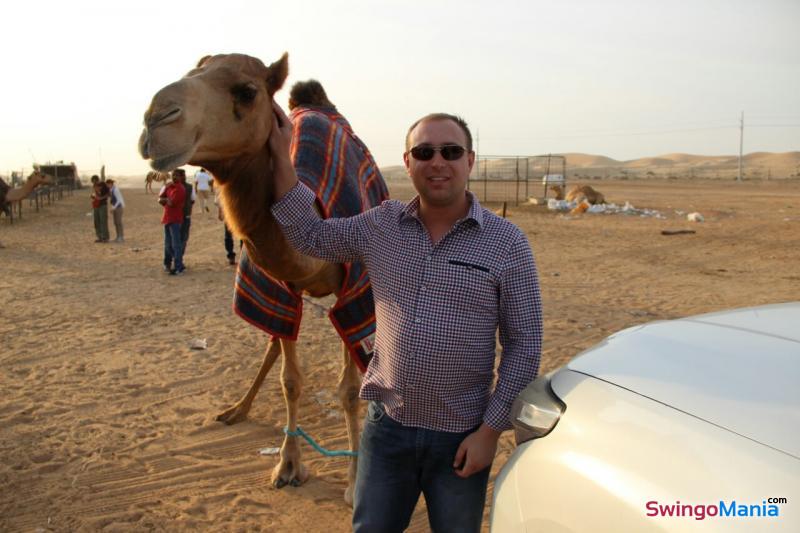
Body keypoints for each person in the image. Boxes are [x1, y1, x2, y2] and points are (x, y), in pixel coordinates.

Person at [268, 103, 543, 533]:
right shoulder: (382, 226)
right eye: (424, 152)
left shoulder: (507, 244)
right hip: (387, 430)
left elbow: (524, 346)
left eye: (451, 152)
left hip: (461, 438)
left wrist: (490, 432)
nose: (438, 162)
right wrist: (282, 155)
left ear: (470, 161)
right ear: (407, 162)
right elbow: (310, 235)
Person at [159, 170, 187, 275]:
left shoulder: (180, 189)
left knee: (176, 244)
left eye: (177, 175)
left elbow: (170, 203)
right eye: (173, 175)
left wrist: (165, 200)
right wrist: (165, 199)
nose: (174, 177)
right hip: (167, 218)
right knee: (168, 244)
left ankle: (178, 267)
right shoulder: (169, 187)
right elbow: (160, 199)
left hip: (175, 219)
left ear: (181, 177)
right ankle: (173, 264)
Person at [174, 169, 196, 258]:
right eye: (182, 175)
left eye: (184, 175)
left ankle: (178, 257)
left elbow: (192, 200)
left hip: (185, 216)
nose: (184, 177)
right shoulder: (170, 186)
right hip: (176, 217)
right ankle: (177, 258)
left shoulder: (190, 187)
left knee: (183, 238)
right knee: (178, 238)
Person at [215, 189, 237, 265]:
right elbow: (220, 198)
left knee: (242, 236)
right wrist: (220, 211)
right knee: (228, 235)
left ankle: (236, 255)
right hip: (228, 213)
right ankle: (231, 256)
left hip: (238, 213)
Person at [90, 175, 110, 243]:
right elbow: (96, 195)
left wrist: (101, 198)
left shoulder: (103, 185)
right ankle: (100, 237)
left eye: (94, 181)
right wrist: (93, 196)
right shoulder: (94, 186)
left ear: (96, 180)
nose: (94, 183)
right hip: (96, 206)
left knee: (103, 221)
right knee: (97, 222)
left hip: (102, 205)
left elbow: (108, 194)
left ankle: (105, 237)